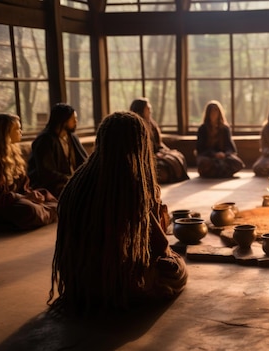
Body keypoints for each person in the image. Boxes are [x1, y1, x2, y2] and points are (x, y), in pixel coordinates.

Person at [48, 111, 188, 316]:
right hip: (117, 288)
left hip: (80, 284)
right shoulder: (132, 188)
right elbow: (161, 247)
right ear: (140, 144)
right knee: (178, 270)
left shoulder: (78, 181)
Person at [0, 113, 58, 231]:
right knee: (29, 210)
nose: (21, 131)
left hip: (15, 199)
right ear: (5, 132)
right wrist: (22, 197)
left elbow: (22, 185)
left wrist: (30, 194)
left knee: (45, 194)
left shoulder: (13, 151)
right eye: (17, 129)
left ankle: (48, 211)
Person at [27, 103, 88, 198]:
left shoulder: (72, 137)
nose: (76, 121)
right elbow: (46, 172)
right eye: (73, 119)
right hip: (52, 184)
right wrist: (69, 178)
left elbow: (84, 161)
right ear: (63, 120)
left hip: (72, 180)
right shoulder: (44, 140)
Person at [130, 97, 189, 184]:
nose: (150, 109)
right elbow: (138, 148)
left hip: (157, 152)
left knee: (177, 157)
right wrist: (154, 155)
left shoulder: (151, 124)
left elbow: (158, 143)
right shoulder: (135, 126)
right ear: (141, 109)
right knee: (162, 170)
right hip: (147, 157)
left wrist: (166, 151)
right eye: (147, 107)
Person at [194, 100, 245, 178]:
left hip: (223, 156)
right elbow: (200, 148)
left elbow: (231, 147)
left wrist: (224, 154)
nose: (214, 114)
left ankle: (216, 172)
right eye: (212, 112)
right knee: (204, 163)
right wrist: (214, 154)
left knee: (237, 163)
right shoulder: (202, 129)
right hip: (208, 156)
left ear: (219, 114)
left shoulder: (225, 128)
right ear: (208, 114)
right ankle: (219, 172)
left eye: (216, 112)